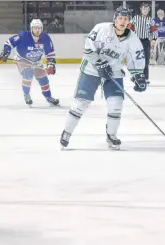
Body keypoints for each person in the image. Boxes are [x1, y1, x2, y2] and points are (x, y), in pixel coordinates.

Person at [59, 7, 147, 150]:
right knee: (80, 103)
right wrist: (99, 64)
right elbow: (88, 48)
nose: (123, 22)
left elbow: (135, 59)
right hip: (91, 69)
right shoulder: (101, 29)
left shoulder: (133, 39)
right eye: (120, 18)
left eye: (126, 19)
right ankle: (67, 132)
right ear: (115, 19)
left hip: (114, 72)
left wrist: (139, 76)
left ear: (129, 22)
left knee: (116, 103)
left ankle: (111, 135)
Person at [0, 19, 59, 107]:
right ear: (31, 28)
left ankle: (49, 97)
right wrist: (5, 52)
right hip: (23, 60)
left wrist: (51, 64)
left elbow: (50, 52)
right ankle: (26, 95)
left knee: (44, 80)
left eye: (39, 28)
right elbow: (9, 42)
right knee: (28, 74)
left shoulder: (45, 37)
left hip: (37, 61)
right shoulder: (23, 36)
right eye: (35, 28)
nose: (37, 30)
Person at [129, 2, 157, 84]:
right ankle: (135, 76)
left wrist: (154, 39)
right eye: (144, 9)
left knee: (146, 59)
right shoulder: (135, 18)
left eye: (147, 9)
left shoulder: (150, 20)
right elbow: (130, 29)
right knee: (136, 59)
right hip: (136, 41)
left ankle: (145, 77)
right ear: (141, 9)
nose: (145, 10)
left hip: (146, 41)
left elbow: (154, 30)